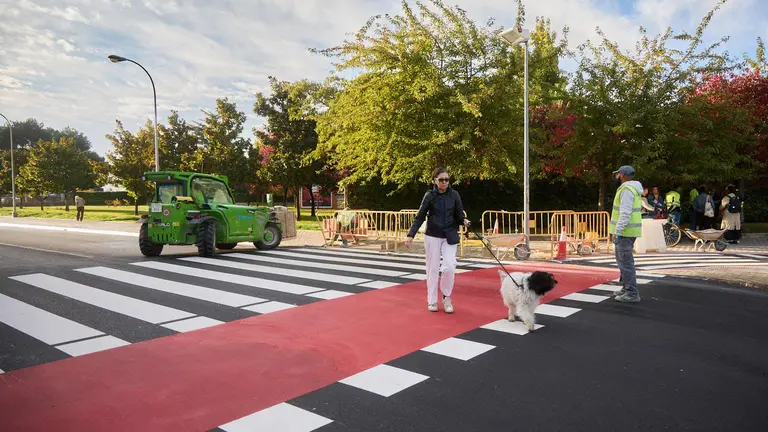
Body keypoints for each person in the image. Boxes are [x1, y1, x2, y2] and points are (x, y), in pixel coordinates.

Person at [405, 167, 470, 313]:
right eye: (441, 180)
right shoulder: (429, 196)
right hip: (432, 235)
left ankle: (447, 297)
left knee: (449, 266)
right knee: (432, 268)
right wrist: (411, 235)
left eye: (447, 179)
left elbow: (459, 215)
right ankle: (432, 300)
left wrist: (464, 220)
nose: (445, 182)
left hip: (450, 235)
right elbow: (420, 216)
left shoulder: (454, 195)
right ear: (435, 180)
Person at [609, 166, 643, 303]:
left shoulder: (627, 190)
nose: (616, 177)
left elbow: (625, 212)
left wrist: (617, 231)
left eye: (617, 174)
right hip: (628, 231)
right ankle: (626, 288)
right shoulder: (633, 189)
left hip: (625, 232)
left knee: (626, 263)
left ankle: (632, 293)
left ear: (622, 175)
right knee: (622, 261)